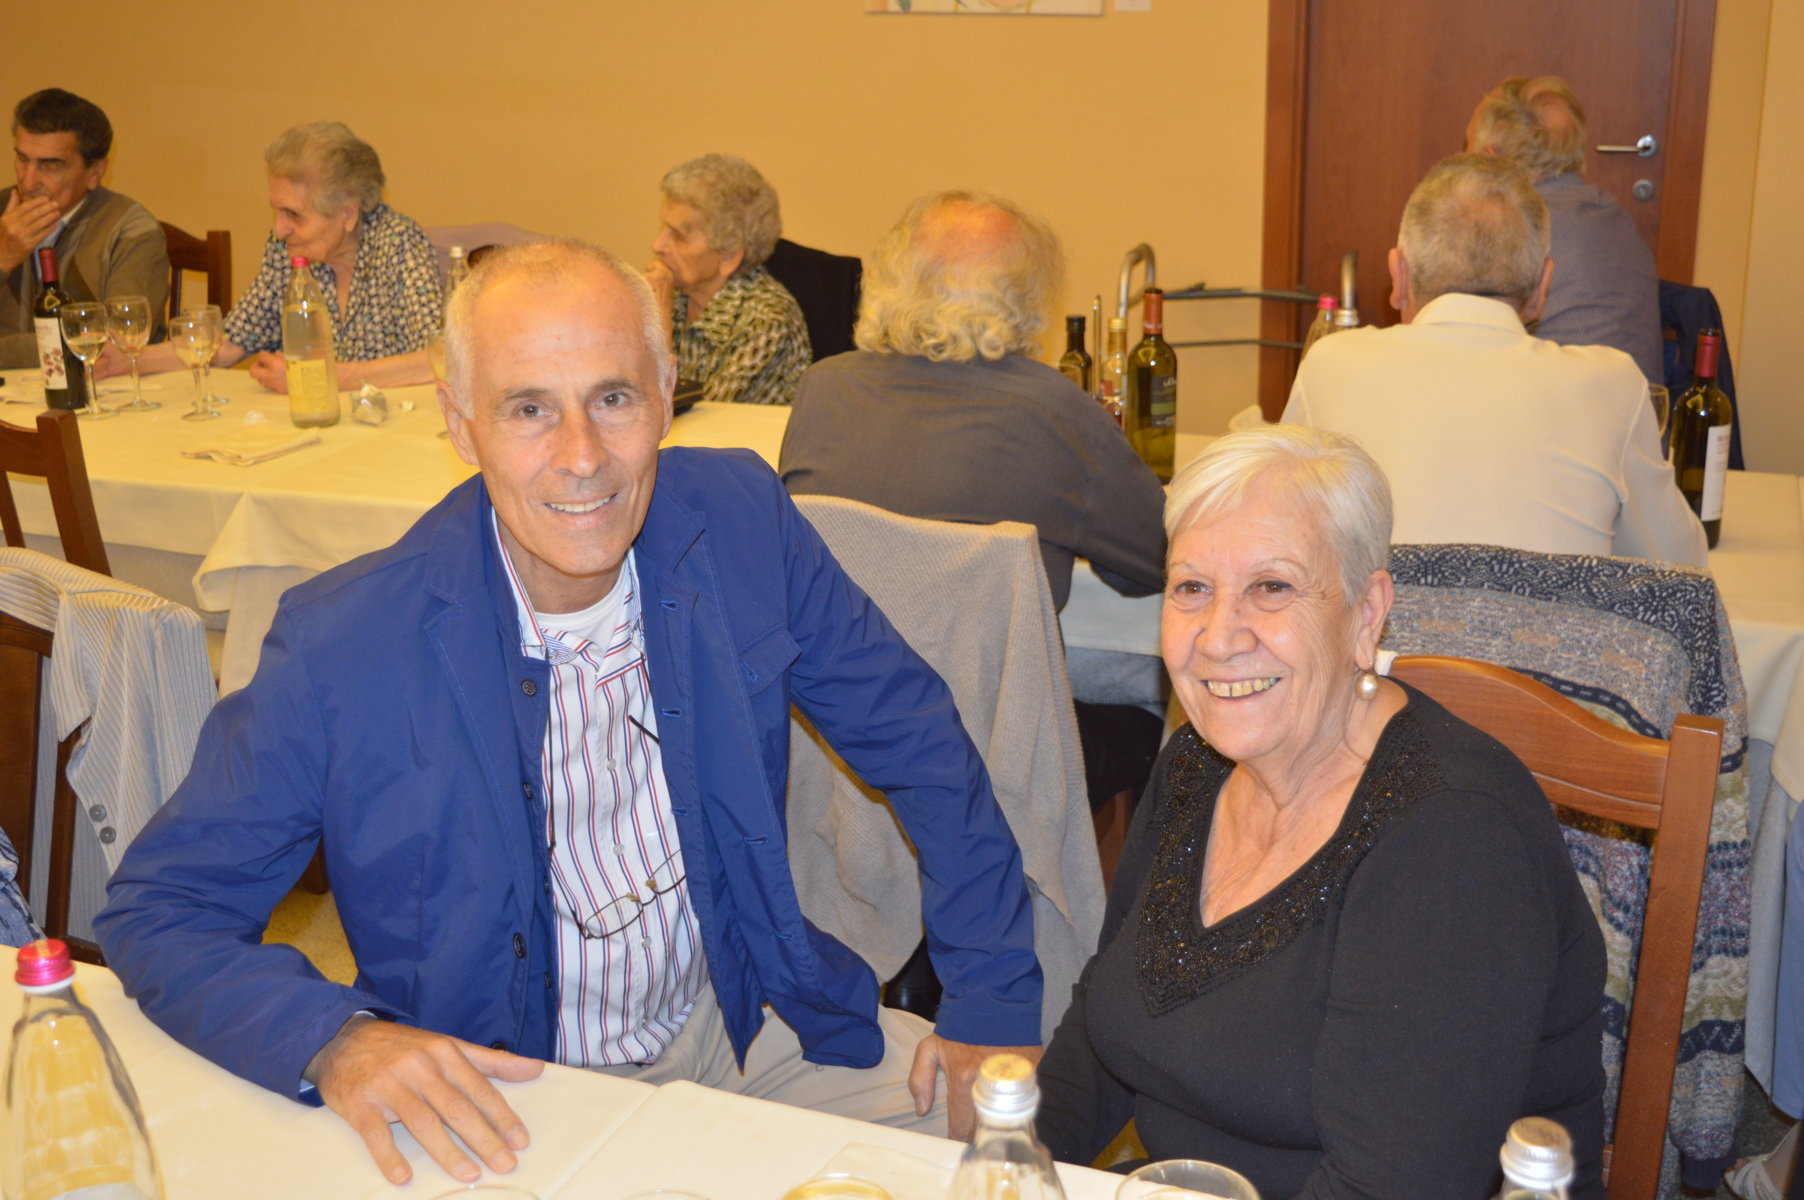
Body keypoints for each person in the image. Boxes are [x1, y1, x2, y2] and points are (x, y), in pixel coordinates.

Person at [95, 240, 1042, 1188]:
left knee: (1003, 1151)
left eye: (613, 398)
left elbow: (919, 740)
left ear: (664, 394)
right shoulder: (343, 641)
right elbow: (164, 908)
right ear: (460, 424)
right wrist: (335, 1040)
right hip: (506, 1089)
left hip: (742, 1023)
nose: (583, 457)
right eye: (528, 409)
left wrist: (991, 999)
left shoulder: (741, 520)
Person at [1035, 424, 1608, 1200]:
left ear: (1366, 614)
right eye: (1191, 587)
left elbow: (1394, 1186)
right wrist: (1010, 1163)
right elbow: (1108, 1028)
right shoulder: (1197, 763)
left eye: (1272, 587)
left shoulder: (1453, 837)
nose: (1219, 638)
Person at [779, 189, 1167, 809]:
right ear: (1028, 301)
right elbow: (1158, 561)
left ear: (886, 281)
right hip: (992, 757)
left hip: (835, 745)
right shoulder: (1056, 411)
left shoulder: (821, 390)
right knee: (1161, 688)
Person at [1283, 153, 1707, 569]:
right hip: (1550, 620)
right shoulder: (1612, 384)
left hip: (1374, 617)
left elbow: (1277, 530)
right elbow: (1680, 566)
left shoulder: (1330, 365)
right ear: (1543, 287)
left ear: (1399, 276)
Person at [117, 121, 440, 391]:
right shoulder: (285, 249)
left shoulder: (398, 242)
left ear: (348, 214)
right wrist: (128, 359)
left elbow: (440, 359)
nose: (280, 229)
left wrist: (324, 376)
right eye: (277, 211)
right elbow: (227, 344)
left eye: (294, 214)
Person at [1466, 75, 1663, 384]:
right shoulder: (1616, 217)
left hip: (1560, 408)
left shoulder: (1516, 231)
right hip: (1641, 409)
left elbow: (1465, 347)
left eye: (1468, 151)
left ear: (1489, 159)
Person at [1, 88, 167, 369]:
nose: (28, 183)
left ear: (94, 172)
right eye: (23, 160)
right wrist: (3, 260)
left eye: (49, 166)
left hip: (100, 391)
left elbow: (115, 347)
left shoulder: (132, 232)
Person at [646, 154, 809, 405]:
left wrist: (659, 320)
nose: (657, 245)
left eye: (678, 235)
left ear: (729, 256)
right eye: (663, 228)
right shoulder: (674, 293)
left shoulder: (766, 317)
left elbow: (687, 413)